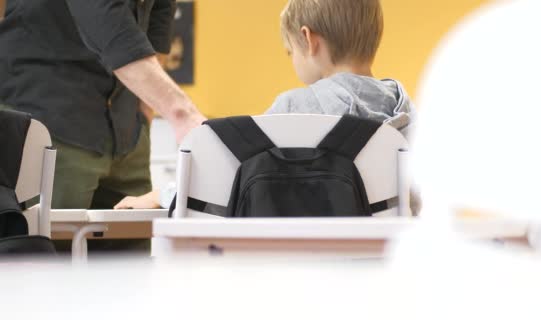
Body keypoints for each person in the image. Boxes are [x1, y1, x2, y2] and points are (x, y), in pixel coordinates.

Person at [115, 0, 420, 215]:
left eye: (290, 52)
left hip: (295, 266)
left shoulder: (294, 109)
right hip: (380, 270)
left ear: (308, 39)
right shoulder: (408, 113)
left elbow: (223, 183)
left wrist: (161, 195)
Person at [0, 0, 205, 209]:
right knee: (48, 237)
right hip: (50, 123)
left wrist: (143, 117)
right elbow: (105, 18)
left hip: (126, 136)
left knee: (132, 237)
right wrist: (183, 115)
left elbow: (158, 28)